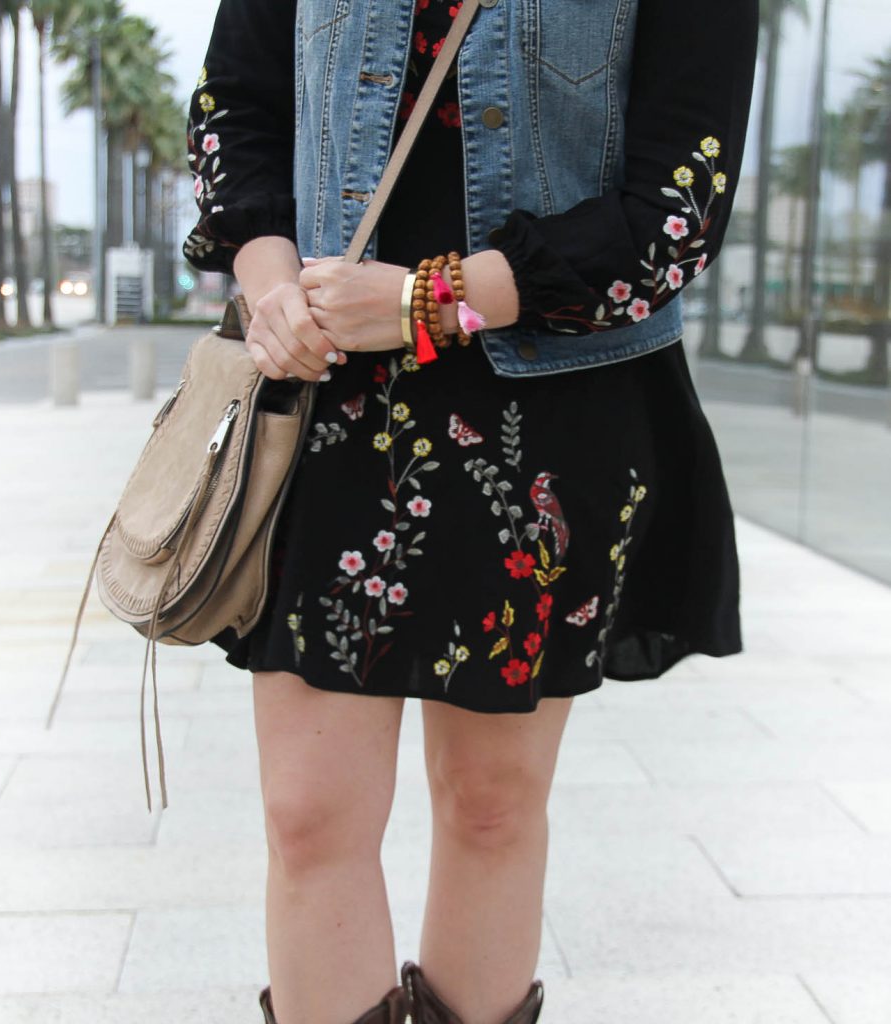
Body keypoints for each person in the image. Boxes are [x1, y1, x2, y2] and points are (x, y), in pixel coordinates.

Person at [183, 1, 758, 1021]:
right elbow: (237, 110)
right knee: (310, 815)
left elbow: (681, 204)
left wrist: (427, 301)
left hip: (549, 405)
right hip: (327, 394)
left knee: (492, 808)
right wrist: (272, 290)